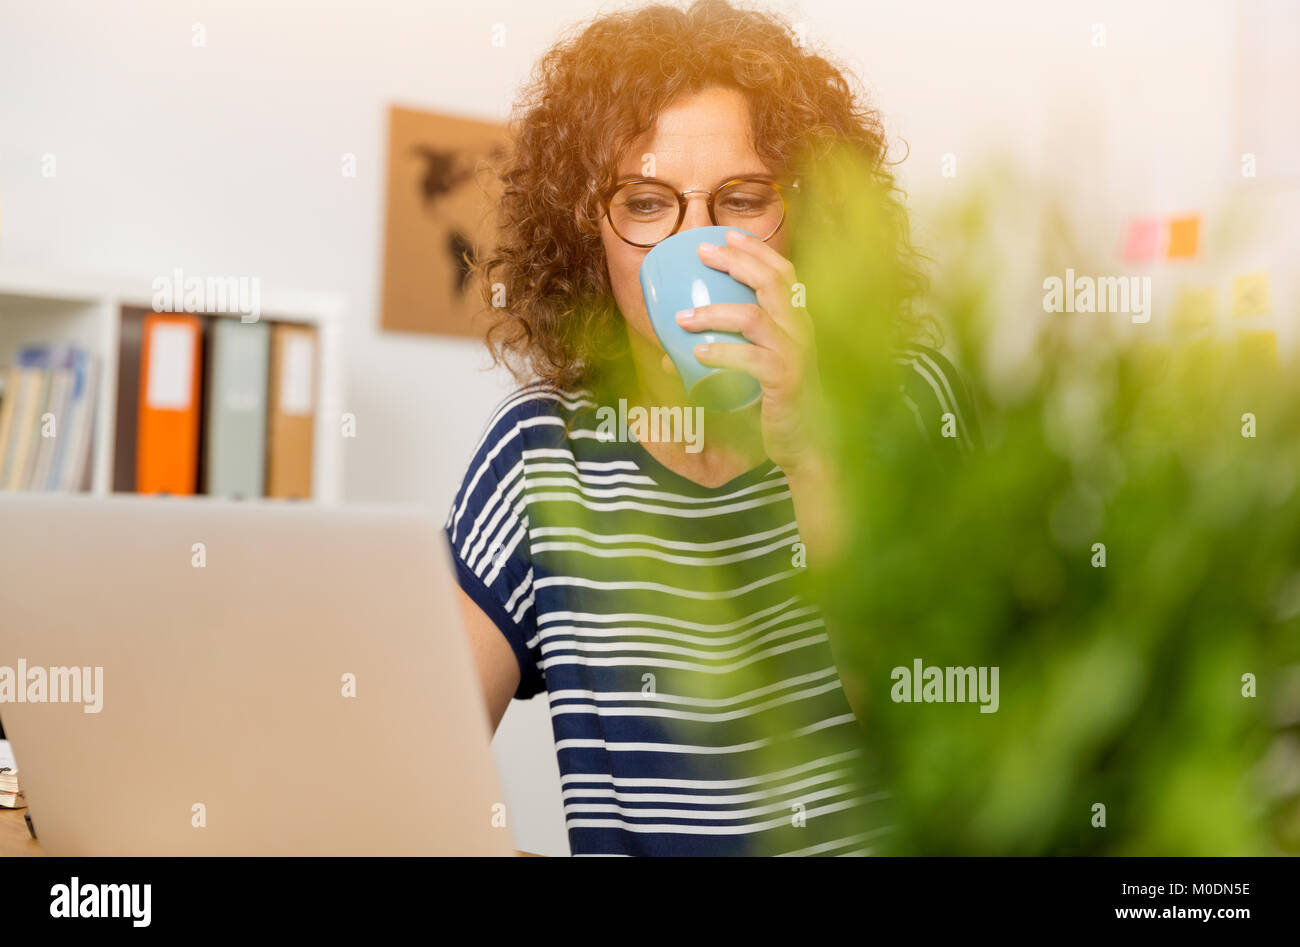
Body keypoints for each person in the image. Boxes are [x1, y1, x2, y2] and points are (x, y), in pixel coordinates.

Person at [445, 0, 978, 855]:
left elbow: (959, 739)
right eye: (648, 203)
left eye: (742, 198)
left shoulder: (907, 402)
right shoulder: (541, 454)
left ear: (802, 222)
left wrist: (808, 445)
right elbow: (409, 770)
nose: (700, 244)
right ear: (592, 239)